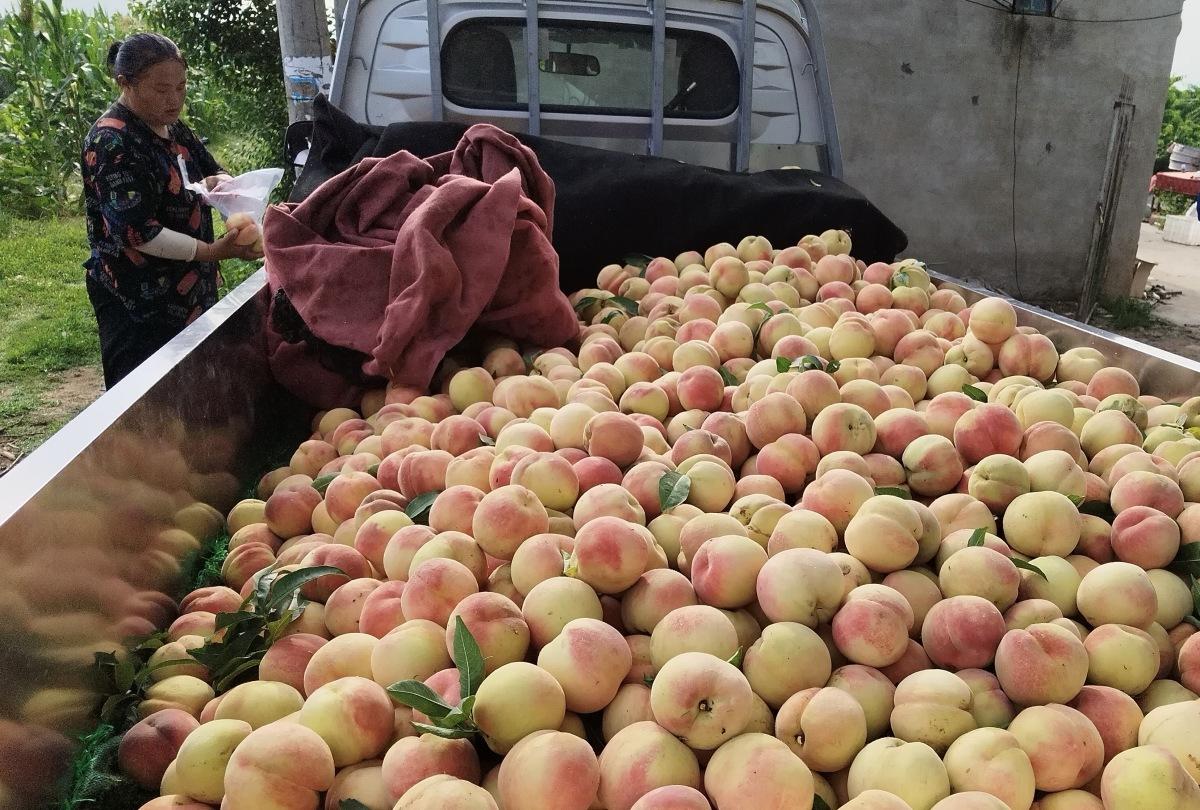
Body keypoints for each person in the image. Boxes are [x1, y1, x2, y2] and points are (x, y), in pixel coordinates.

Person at [82, 32, 262, 388]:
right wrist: (213, 252)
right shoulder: (112, 141)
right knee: (145, 398)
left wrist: (223, 189)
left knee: (192, 389)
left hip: (188, 289)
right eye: (162, 90)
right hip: (137, 299)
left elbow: (210, 170)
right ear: (125, 84)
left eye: (181, 87)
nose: (174, 99)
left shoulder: (172, 127)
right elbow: (137, 231)